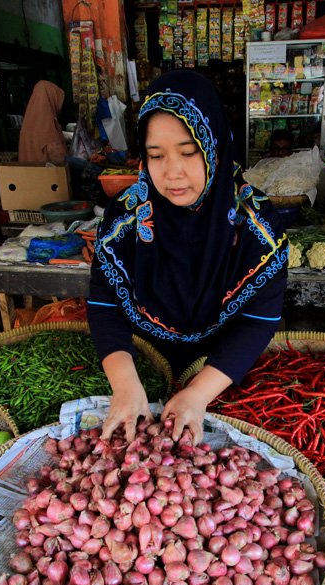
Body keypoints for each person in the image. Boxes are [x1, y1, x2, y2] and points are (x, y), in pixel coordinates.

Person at [87, 70, 289, 445]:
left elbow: (258, 321)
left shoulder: (257, 231)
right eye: (156, 155)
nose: (173, 173)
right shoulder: (125, 219)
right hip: (140, 361)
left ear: (213, 146)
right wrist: (127, 384)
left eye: (188, 152)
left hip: (223, 370)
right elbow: (103, 303)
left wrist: (198, 394)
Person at [18, 81, 68, 165]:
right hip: (45, 174)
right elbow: (58, 158)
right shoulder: (47, 122)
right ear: (51, 98)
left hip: (28, 174)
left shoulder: (28, 121)